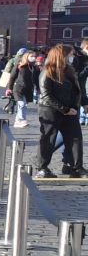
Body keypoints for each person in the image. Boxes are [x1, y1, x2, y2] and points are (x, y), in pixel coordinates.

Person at [37, 43, 84, 179]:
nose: (72, 57)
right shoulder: (48, 71)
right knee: (48, 138)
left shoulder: (69, 71)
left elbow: (76, 91)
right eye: (70, 55)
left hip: (70, 110)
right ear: (62, 56)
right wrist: (64, 109)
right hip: (50, 110)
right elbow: (46, 95)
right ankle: (42, 167)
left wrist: (74, 107)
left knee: (75, 138)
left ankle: (76, 167)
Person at [12, 50, 40, 129]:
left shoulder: (35, 68)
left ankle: (17, 121)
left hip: (28, 89)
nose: (33, 58)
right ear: (26, 57)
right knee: (22, 104)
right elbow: (12, 77)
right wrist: (9, 89)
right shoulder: (20, 66)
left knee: (24, 105)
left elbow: (36, 79)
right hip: (18, 88)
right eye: (32, 56)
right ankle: (21, 120)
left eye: (34, 56)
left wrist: (38, 88)